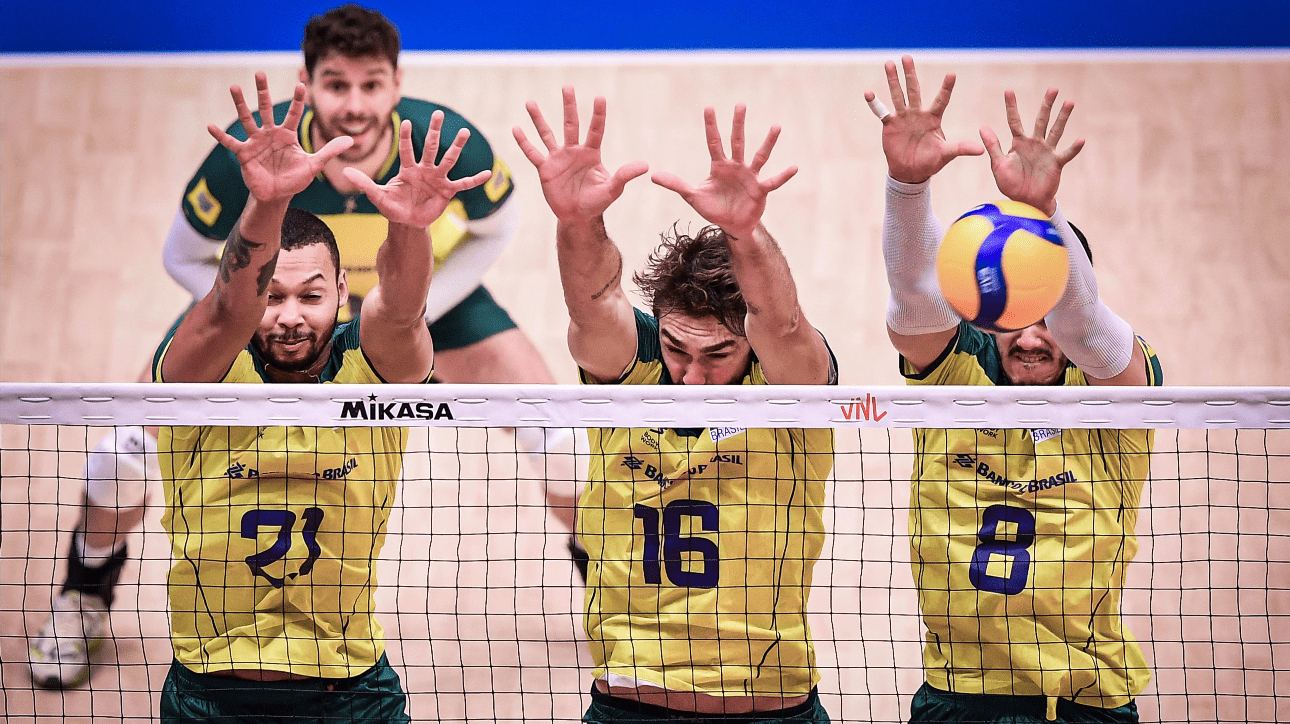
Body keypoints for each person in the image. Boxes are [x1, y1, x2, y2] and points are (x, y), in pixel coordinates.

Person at [28, 3, 584, 690]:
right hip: (271, 303)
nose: (355, 104)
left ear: (396, 82)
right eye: (337, 84)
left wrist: (411, 314)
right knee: (126, 450)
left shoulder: (444, 142)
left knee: (563, 439)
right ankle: (82, 598)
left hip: (410, 300)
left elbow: (499, 228)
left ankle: (613, 590)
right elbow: (183, 254)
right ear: (308, 82)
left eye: (371, 84)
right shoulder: (258, 147)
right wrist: (243, 312)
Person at [150, 71, 489, 722]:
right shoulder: (202, 372)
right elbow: (225, 311)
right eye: (271, 296)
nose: (289, 315)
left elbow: (400, 312)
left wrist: (411, 229)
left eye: (310, 296)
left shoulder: (372, 370)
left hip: (352, 689)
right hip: (211, 693)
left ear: (340, 295)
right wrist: (267, 202)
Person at [514, 87, 837, 722]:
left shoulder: (788, 395)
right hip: (630, 707)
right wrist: (578, 221)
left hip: (767, 710)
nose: (689, 378)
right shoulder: (628, 377)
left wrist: (745, 233)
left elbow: (784, 322)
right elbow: (593, 301)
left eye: (717, 354)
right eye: (675, 349)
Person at [870, 56, 1163, 723]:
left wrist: (1041, 214)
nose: (1031, 339)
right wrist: (907, 188)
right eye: (1014, 314)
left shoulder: (1115, 400)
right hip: (956, 696)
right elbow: (917, 301)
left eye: (1047, 313)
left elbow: (1089, 330)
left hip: (1084, 698)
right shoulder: (954, 379)